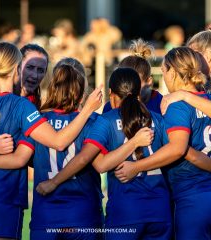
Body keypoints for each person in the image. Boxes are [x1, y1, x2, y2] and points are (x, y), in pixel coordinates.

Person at [0, 42, 102, 240]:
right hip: (5, 197)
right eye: (30, 67)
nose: (35, 74)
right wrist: (88, 109)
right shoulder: (23, 107)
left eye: (41, 70)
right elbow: (57, 143)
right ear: (17, 68)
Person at [35, 68, 172, 240]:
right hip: (159, 211)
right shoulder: (158, 119)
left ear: (111, 94)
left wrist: (53, 182)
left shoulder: (104, 120)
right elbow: (174, 152)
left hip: (125, 212)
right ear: (139, 92)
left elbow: (98, 164)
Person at [113, 47, 211, 240]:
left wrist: (136, 167)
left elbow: (177, 149)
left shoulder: (177, 105)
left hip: (190, 196)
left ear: (173, 72)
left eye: (164, 71)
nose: (163, 77)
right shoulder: (206, 100)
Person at [103, 38, 162, 114]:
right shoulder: (110, 106)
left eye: (136, 82)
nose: (129, 87)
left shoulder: (160, 102)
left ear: (149, 81)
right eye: (124, 81)